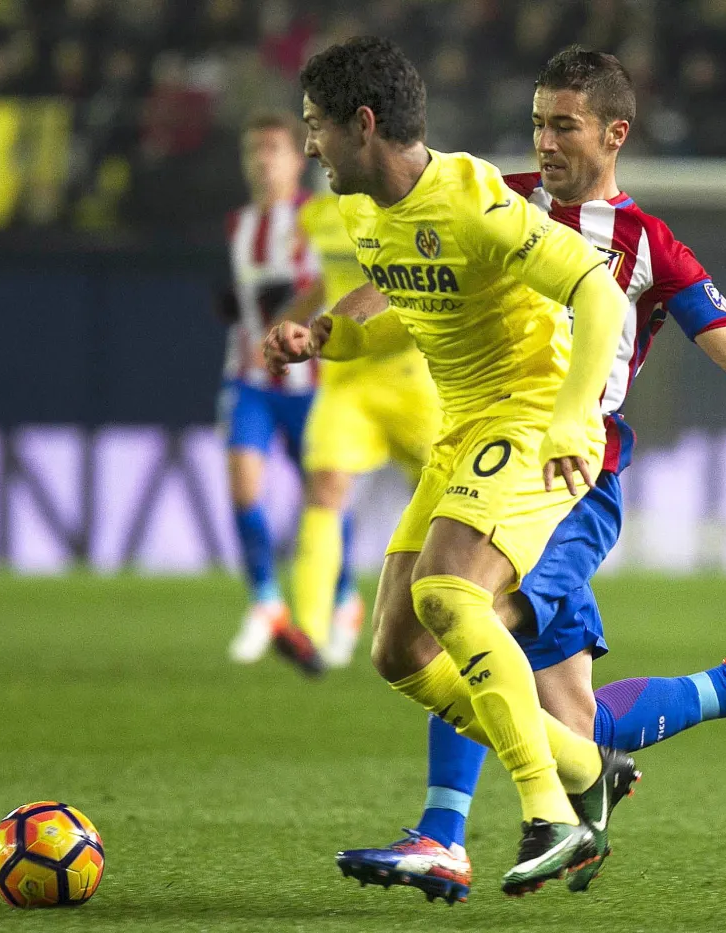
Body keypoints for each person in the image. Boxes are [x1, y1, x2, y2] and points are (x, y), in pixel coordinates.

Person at [327, 46, 726, 904]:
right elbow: (407, 272)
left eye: (563, 126)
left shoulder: (649, 247)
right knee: (562, 710)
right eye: (536, 125)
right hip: (496, 448)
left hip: (573, 472)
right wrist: (336, 324)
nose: (545, 143)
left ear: (613, 134)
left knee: (462, 611)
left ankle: (448, 835)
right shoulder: (499, 198)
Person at [267, 36, 642, 896]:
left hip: (531, 412)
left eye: (317, 127)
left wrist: (573, 422)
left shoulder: (473, 198)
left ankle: (552, 817)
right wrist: (330, 333)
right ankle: (588, 763)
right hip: (462, 423)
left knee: (450, 595)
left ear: (364, 125)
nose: (311, 146)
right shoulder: (365, 208)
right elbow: (410, 297)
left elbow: (597, 288)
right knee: (398, 648)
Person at [285, 187, 442, 667]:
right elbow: (327, 283)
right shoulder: (314, 215)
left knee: (448, 500)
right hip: (347, 382)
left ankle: (472, 611)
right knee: (325, 487)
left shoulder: (410, 205)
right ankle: (309, 630)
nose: (317, 145)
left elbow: (409, 281)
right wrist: (289, 322)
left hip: (412, 379)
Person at [220, 111, 352, 675]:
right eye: (254, 149)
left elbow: (333, 281)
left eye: (273, 148)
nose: (262, 160)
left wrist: (296, 315)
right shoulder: (238, 224)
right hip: (248, 379)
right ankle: (267, 605)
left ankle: (343, 601)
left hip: (308, 383)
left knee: (322, 497)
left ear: (297, 159)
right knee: (244, 488)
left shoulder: (318, 219)